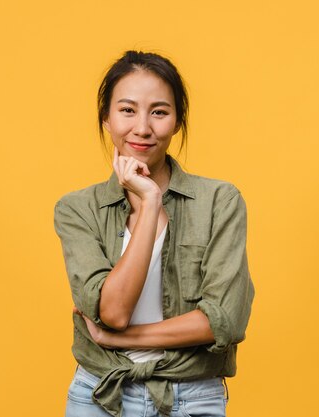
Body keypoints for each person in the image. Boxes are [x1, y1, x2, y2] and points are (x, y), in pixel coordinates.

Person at [53, 50, 254, 417]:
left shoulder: (219, 201)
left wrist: (116, 339)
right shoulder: (76, 209)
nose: (143, 128)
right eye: (127, 110)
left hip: (192, 397)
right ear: (106, 119)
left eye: (159, 112)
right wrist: (149, 204)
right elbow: (112, 311)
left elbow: (224, 319)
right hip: (100, 395)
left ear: (177, 121)